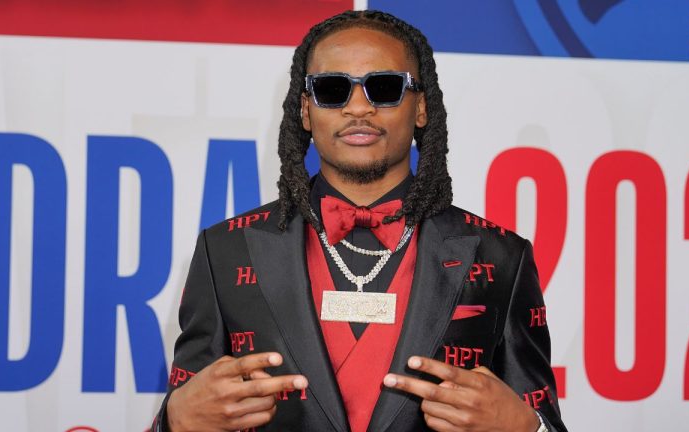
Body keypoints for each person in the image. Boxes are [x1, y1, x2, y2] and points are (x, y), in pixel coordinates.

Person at [153, 9, 567, 432]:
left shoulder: (500, 256)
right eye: (332, 90)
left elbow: (544, 418)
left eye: (383, 88)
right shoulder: (225, 250)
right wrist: (174, 421)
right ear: (305, 111)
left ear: (421, 107)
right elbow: (191, 404)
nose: (358, 108)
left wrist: (527, 427)